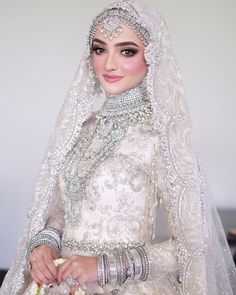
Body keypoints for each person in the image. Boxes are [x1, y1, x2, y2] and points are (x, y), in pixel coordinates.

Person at [1, 0, 236, 294]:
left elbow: (193, 245)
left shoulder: (160, 138)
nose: (109, 63)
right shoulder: (80, 129)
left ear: (152, 55)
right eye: (100, 49)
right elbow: (61, 212)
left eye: (127, 51)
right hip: (60, 285)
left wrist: (106, 267)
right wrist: (45, 244)